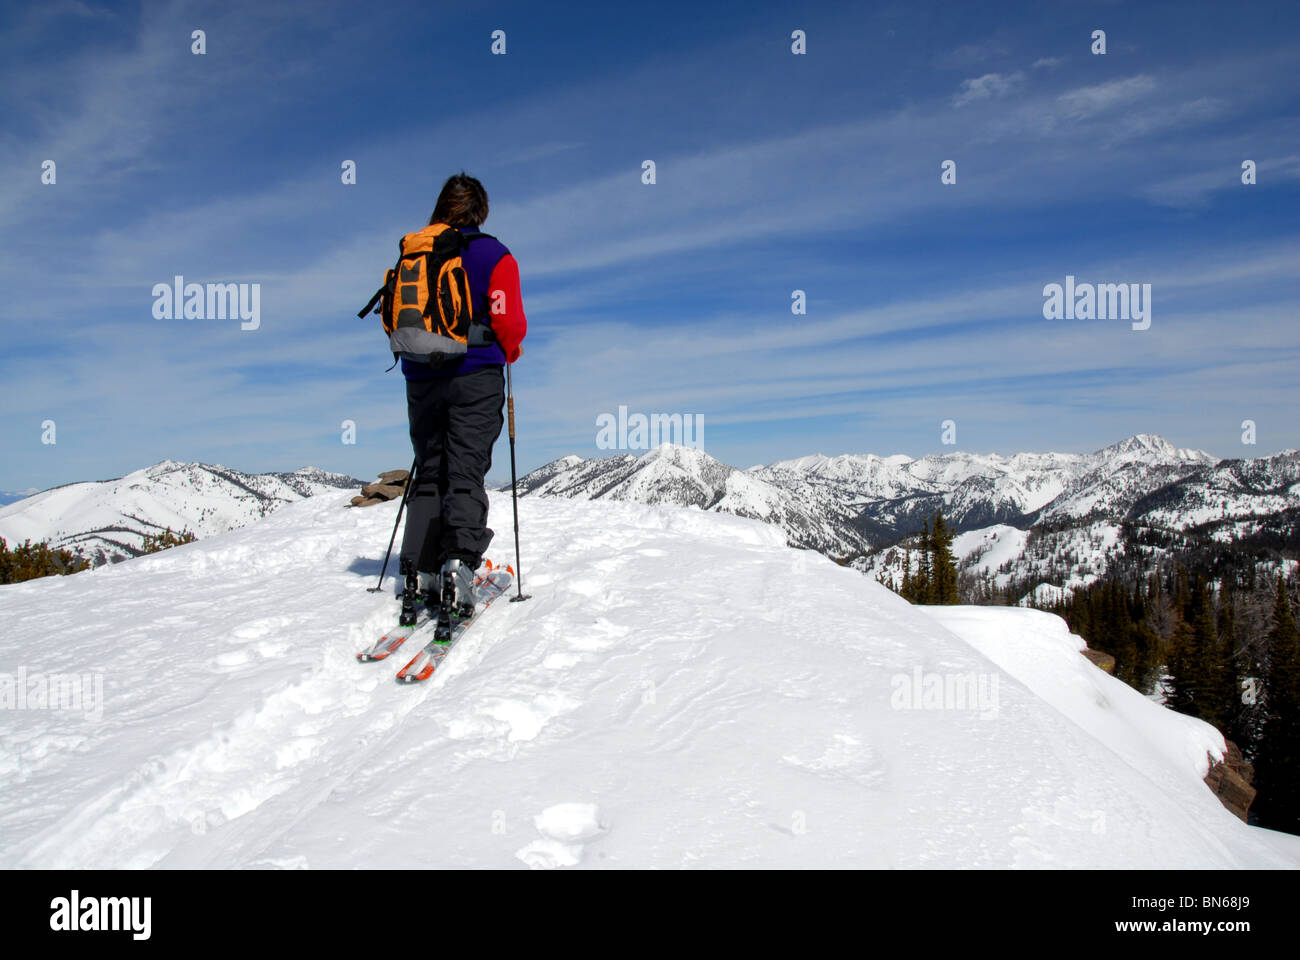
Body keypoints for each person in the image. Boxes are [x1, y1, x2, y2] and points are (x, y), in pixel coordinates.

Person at [397, 173, 526, 627]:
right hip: (476, 375)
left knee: (430, 470)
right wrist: (508, 350)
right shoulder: (495, 254)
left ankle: (418, 570)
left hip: (420, 376)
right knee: (466, 470)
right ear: (481, 210)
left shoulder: (418, 250)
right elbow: (508, 322)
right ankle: (458, 566)